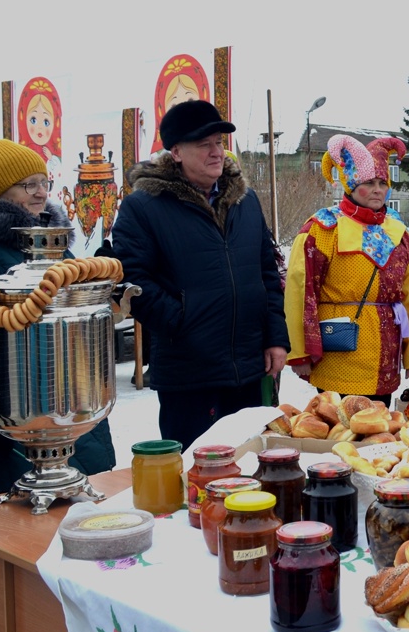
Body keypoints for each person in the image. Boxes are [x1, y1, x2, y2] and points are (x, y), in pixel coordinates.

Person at [0, 139, 115, 495]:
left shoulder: (52, 243)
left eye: (43, 182)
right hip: (19, 400)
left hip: (72, 388)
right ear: (1, 191)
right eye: (27, 185)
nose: (39, 193)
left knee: (88, 491)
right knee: (24, 511)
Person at [113, 100, 288, 449]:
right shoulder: (144, 206)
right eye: (204, 145)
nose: (216, 152)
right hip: (190, 373)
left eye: (219, 143)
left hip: (248, 368)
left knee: (250, 468)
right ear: (176, 152)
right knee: (198, 476)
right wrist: (183, 321)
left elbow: (267, 273)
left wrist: (274, 336)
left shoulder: (245, 201)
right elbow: (133, 281)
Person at [284, 135, 409, 403]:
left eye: (383, 183)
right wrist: (299, 351)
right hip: (338, 354)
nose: (377, 189)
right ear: (350, 185)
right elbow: (301, 293)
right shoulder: (323, 229)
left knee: (379, 433)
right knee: (339, 434)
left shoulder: (398, 232)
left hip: (385, 356)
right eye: (369, 183)